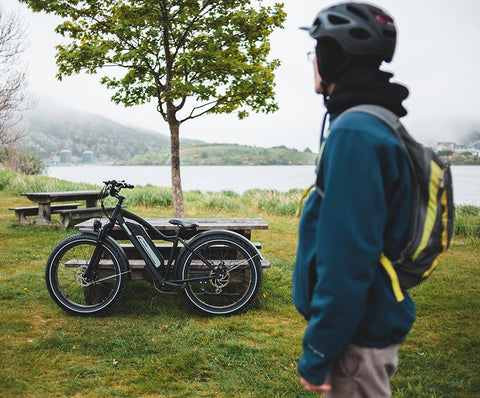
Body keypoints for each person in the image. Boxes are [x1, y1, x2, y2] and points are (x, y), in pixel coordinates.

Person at [292, 3, 416, 397]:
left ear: (332, 56)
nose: (313, 62)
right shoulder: (376, 122)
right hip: (365, 324)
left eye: (316, 52)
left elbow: (348, 257)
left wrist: (318, 349)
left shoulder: (354, 133)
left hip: (355, 339)